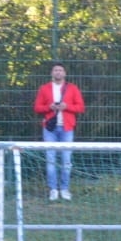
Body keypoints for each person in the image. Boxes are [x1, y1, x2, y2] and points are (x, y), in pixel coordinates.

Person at [33, 62, 85, 201]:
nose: (58, 72)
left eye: (60, 70)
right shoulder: (44, 88)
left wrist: (67, 106)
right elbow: (37, 107)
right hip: (50, 128)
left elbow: (80, 107)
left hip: (67, 128)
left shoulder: (72, 88)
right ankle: (53, 189)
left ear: (64, 73)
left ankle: (64, 188)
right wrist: (49, 107)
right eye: (55, 70)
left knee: (66, 160)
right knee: (50, 159)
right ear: (52, 73)